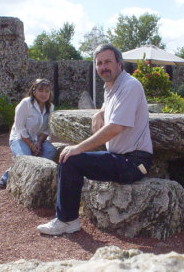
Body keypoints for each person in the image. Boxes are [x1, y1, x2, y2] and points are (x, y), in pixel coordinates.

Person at [37, 44, 153, 235]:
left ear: (119, 63)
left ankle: (67, 220)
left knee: (71, 159)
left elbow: (116, 127)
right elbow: (112, 107)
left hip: (134, 162)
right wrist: (100, 112)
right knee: (70, 157)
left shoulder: (130, 85)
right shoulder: (111, 86)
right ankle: (68, 218)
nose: (103, 67)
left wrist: (79, 148)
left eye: (108, 62)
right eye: (99, 63)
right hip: (119, 157)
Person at [0, 78, 57, 189]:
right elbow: (20, 128)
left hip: (39, 139)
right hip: (19, 138)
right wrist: (31, 145)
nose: (44, 94)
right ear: (34, 91)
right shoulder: (25, 104)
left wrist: (38, 142)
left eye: (47, 91)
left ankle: (35, 175)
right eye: (41, 90)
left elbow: (48, 129)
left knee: (51, 151)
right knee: (25, 157)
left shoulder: (50, 107)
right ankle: (5, 178)